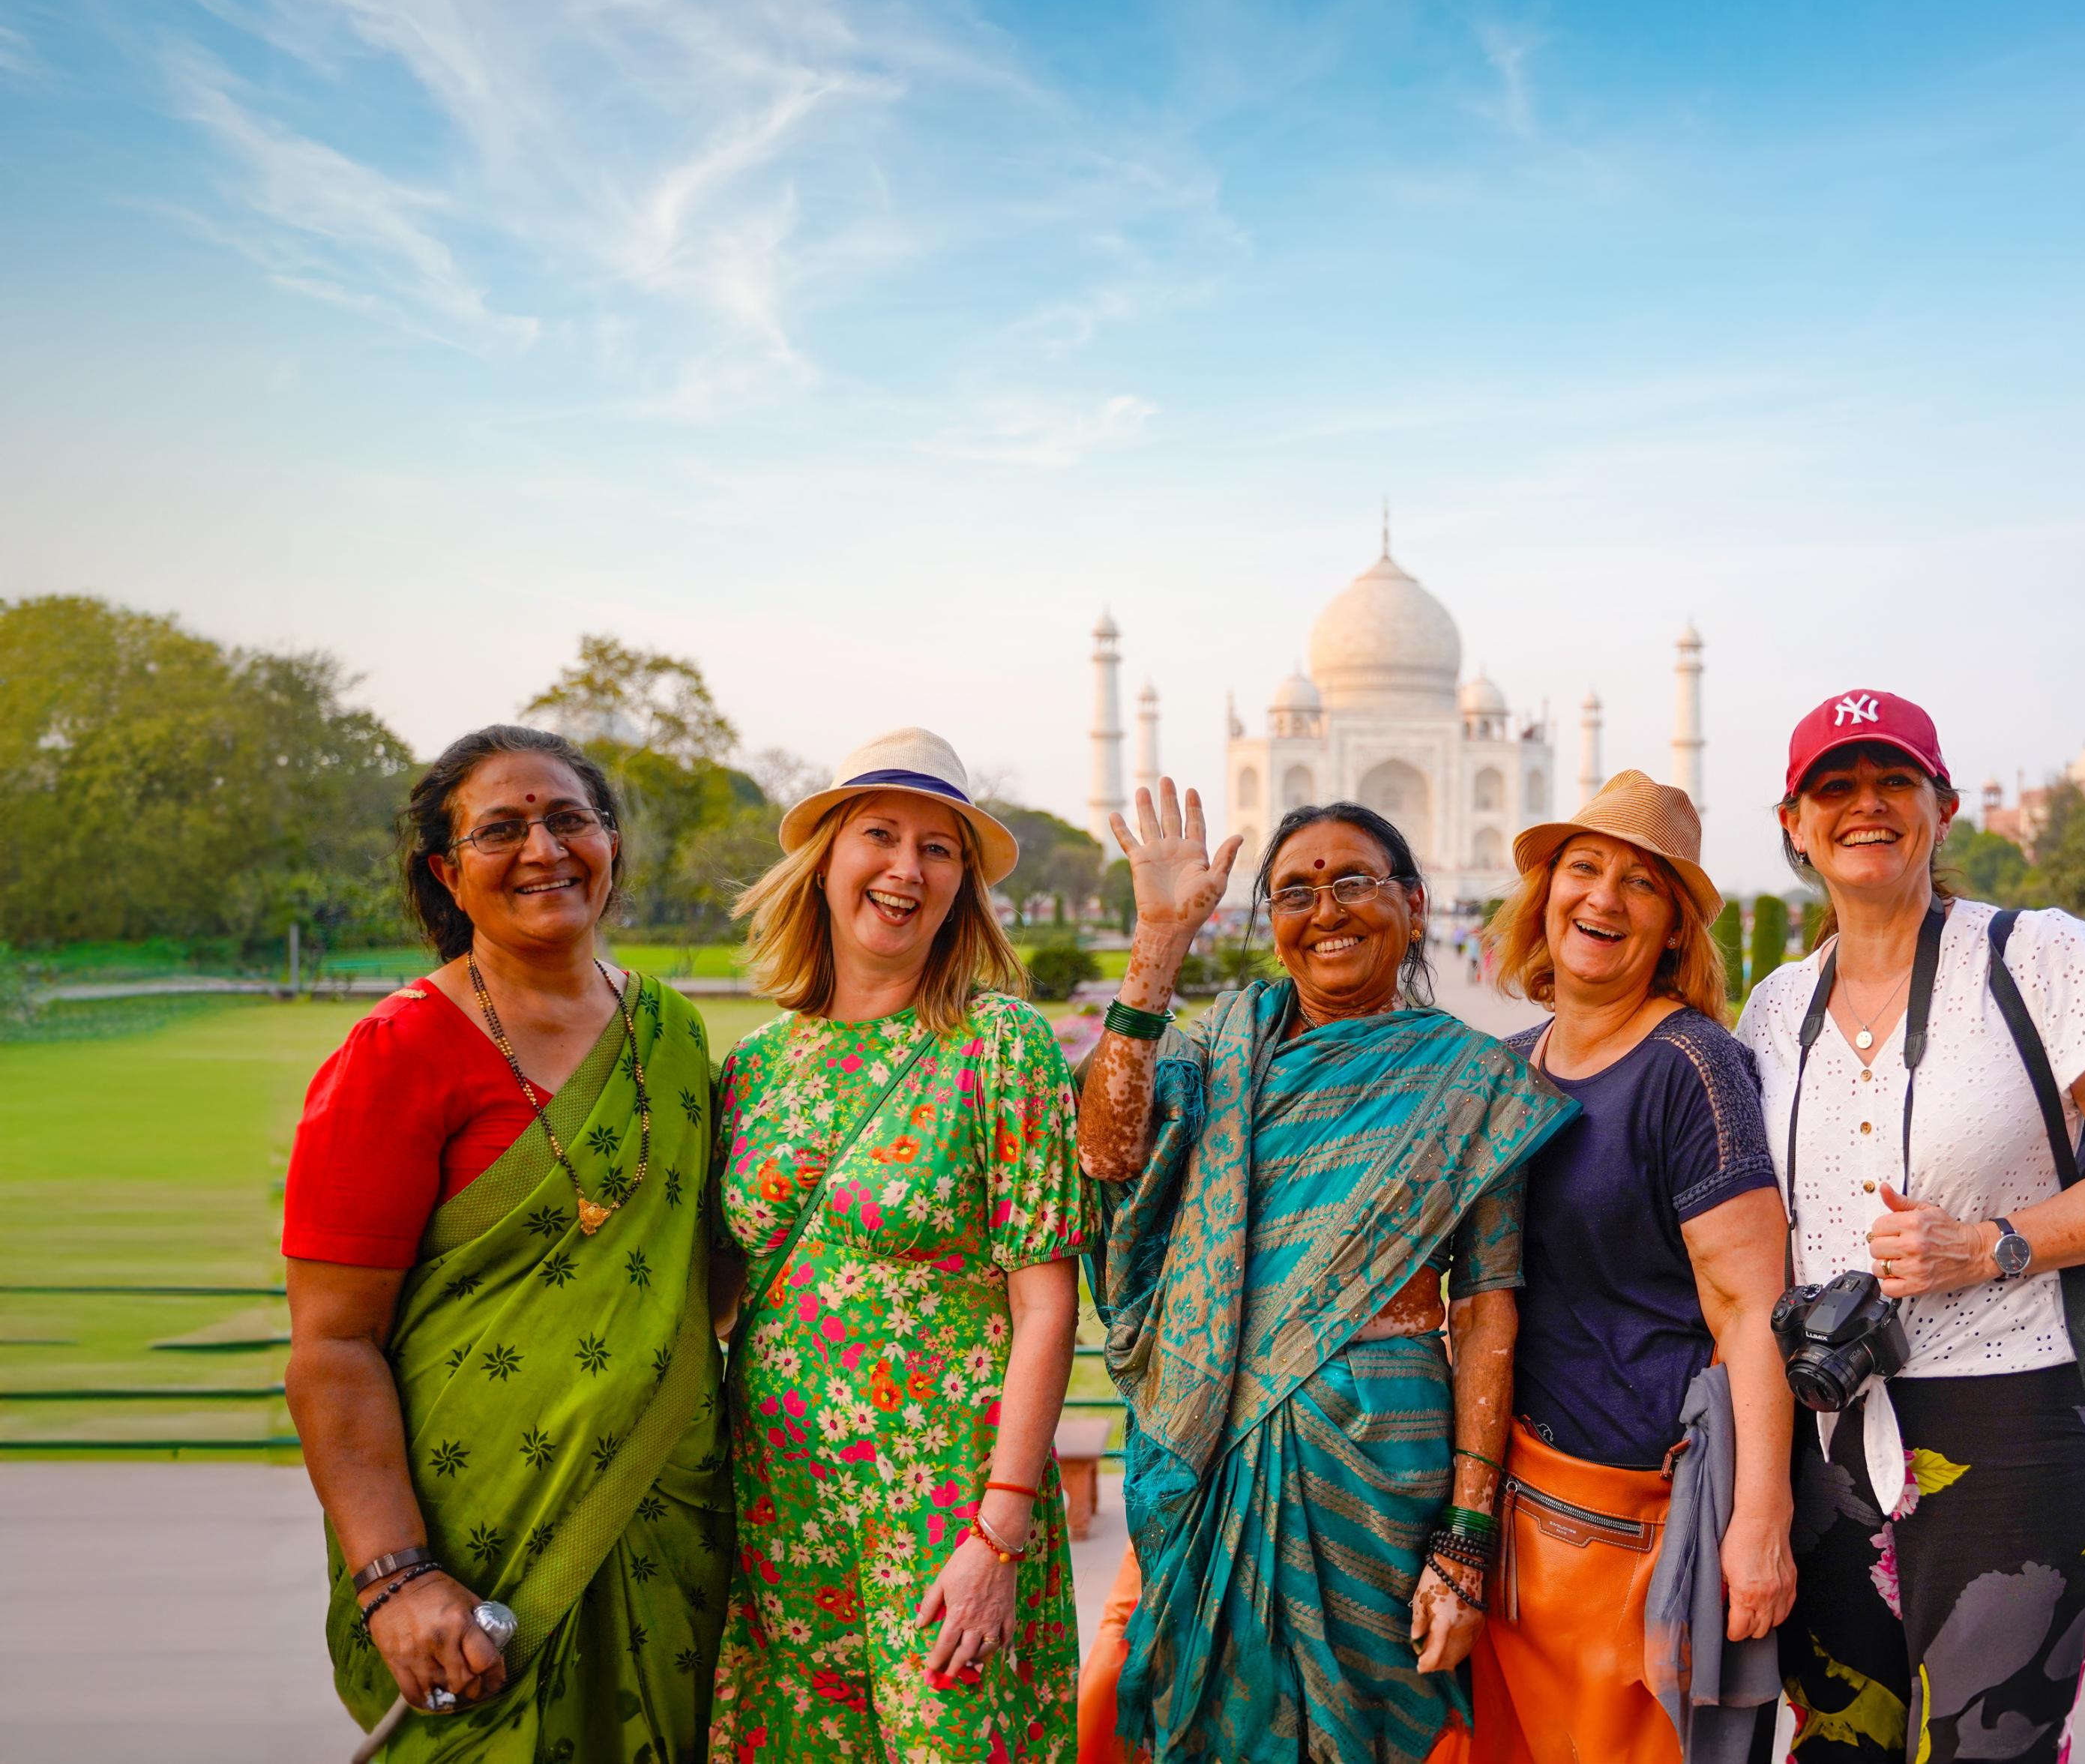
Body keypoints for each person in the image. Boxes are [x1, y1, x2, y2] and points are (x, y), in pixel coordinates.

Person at [1735, 691, 2085, 1764]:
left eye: (1893, 782)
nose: (1866, 805)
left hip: (2012, 1428)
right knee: (1839, 1746)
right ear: (1794, 823)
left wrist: (1991, 1244)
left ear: (1941, 809)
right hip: (1826, 1439)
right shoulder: (1773, 1008)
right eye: (1835, 788)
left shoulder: (2040, 958)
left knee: (1993, 1749)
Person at [1077, 780, 1571, 1764]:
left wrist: (1466, 1537)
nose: (1326, 910)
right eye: (1296, 893)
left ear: (1414, 904)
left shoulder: (1470, 1081)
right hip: (1211, 1443)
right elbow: (1105, 1152)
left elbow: (1485, 1311)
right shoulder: (1222, 1050)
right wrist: (1158, 944)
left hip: (1379, 1461)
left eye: (1354, 881)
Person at [284, 724, 729, 1759]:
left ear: (610, 844)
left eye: (570, 819)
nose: (544, 849)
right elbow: (333, 1345)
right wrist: (396, 1576)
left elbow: (701, 1279)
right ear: (447, 872)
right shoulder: (398, 1051)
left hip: (670, 1520)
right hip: (472, 1556)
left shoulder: (672, 1033)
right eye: (500, 830)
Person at [708, 728, 1086, 1764]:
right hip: (782, 1509)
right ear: (825, 858)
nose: (906, 868)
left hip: (947, 1509)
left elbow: (1046, 1305)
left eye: (939, 848)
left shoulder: (1000, 1046)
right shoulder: (757, 1067)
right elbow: (720, 1296)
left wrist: (1000, 1530)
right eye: (880, 835)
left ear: (962, 886)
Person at [1473, 768, 1795, 1764]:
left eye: (1642, 882)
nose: (1604, 898)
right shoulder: (1512, 1066)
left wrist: (1760, 1520)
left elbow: (1751, 1310)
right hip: (1517, 1511)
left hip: (1640, 1519)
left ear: (1673, 931)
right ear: (1546, 895)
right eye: (1584, 868)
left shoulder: (1691, 1067)